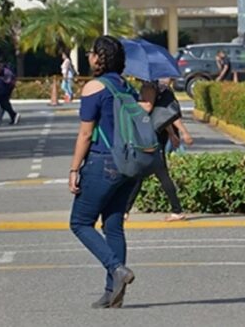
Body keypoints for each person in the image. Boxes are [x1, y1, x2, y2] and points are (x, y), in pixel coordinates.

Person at [69, 36, 143, 309]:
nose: (88, 56)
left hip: (103, 161)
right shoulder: (127, 87)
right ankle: (112, 292)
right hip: (128, 164)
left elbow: (86, 134)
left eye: (91, 52)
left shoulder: (94, 87)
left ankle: (116, 269)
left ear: (99, 57)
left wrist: (74, 168)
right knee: (113, 225)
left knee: (79, 222)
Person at [125, 80, 188, 222]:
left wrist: (130, 104)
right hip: (155, 135)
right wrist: (172, 134)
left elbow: (148, 107)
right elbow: (162, 115)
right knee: (145, 173)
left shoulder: (149, 86)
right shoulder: (155, 87)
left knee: (149, 173)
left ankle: (177, 210)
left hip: (152, 137)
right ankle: (176, 210)